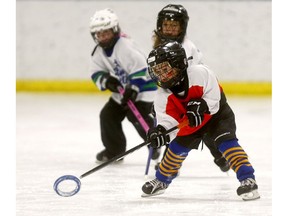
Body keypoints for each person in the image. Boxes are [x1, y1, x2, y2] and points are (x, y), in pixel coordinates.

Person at [141, 41, 260, 201]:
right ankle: (161, 181)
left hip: (216, 117)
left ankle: (247, 178)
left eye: (165, 69)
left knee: (227, 145)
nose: (161, 75)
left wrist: (202, 104)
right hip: (189, 124)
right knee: (175, 150)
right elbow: (168, 122)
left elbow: (215, 99)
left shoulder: (200, 73)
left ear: (178, 64)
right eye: (157, 71)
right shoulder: (163, 96)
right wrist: (161, 132)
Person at [152, 4, 229, 172]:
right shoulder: (161, 46)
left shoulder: (185, 48)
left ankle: (220, 155)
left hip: (196, 93)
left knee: (204, 127)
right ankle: (219, 157)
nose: (169, 29)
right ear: (159, 25)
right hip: (181, 93)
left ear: (182, 27)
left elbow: (184, 77)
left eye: (174, 26)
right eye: (166, 25)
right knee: (186, 127)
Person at [89, 8, 159, 162]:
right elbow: (96, 72)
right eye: (99, 34)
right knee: (108, 115)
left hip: (144, 89)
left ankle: (155, 142)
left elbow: (142, 69)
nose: (102, 37)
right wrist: (107, 81)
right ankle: (115, 151)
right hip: (121, 91)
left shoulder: (125, 46)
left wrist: (133, 89)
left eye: (106, 32)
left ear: (114, 30)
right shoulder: (99, 51)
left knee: (135, 115)